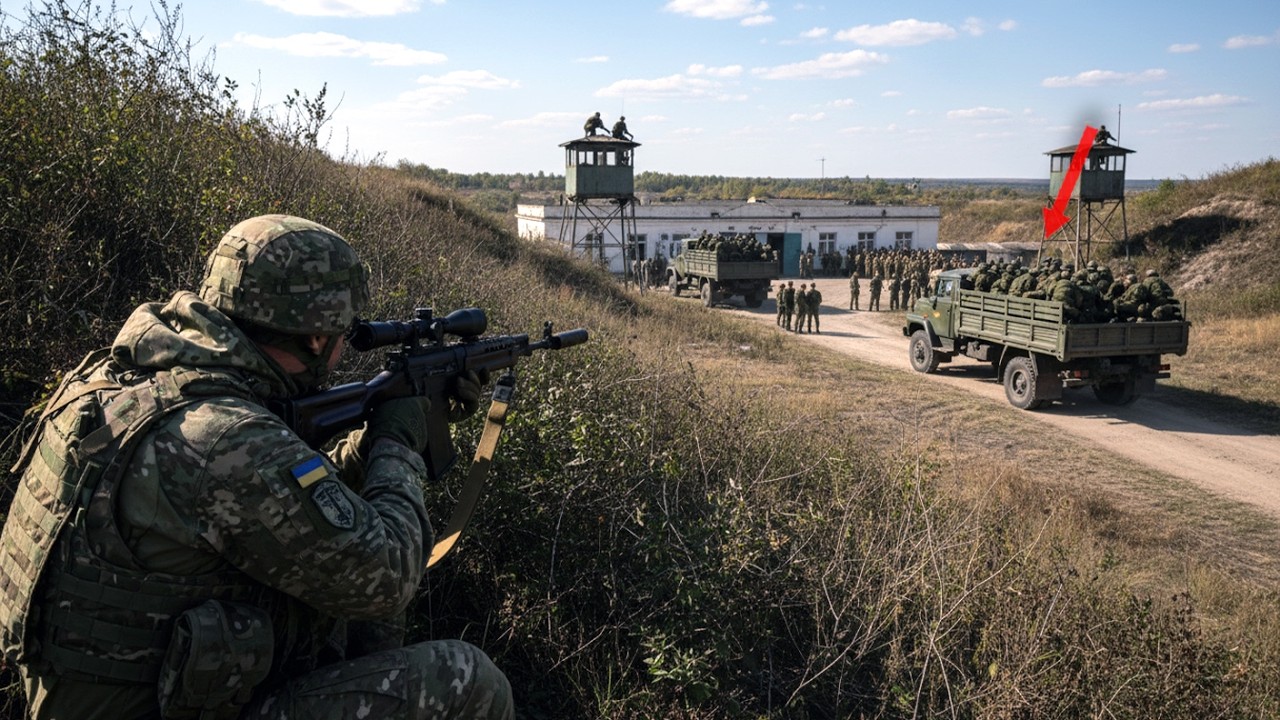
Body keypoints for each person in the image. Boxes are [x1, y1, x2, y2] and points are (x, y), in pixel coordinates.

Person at [0, 215, 513, 719]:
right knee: (469, 680)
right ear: (315, 340)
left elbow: (284, 502)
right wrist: (399, 442)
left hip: (87, 694)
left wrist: (372, 441)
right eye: (344, 331)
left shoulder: (116, 383)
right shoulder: (229, 439)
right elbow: (389, 576)